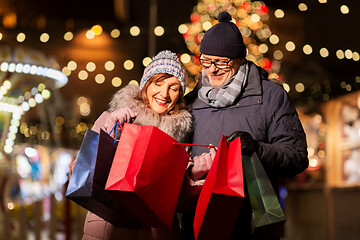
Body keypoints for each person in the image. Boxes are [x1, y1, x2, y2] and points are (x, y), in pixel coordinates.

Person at [179, 11, 309, 240]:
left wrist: (257, 149)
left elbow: (297, 156)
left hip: (252, 227)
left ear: (239, 59)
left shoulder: (270, 97)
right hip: (201, 225)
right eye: (206, 61)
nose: (212, 69)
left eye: (221, 62)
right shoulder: (191, 102)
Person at [69, 50, 193, 240]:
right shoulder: (113, 120)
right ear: (146, 85)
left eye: (173, 88)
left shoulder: (181, 137)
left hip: (154, 232)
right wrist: (111, 129)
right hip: (107, 228)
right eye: (158, 84)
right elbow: (79, 171)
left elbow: (180, 200)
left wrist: (196, 172)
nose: (164, 94)